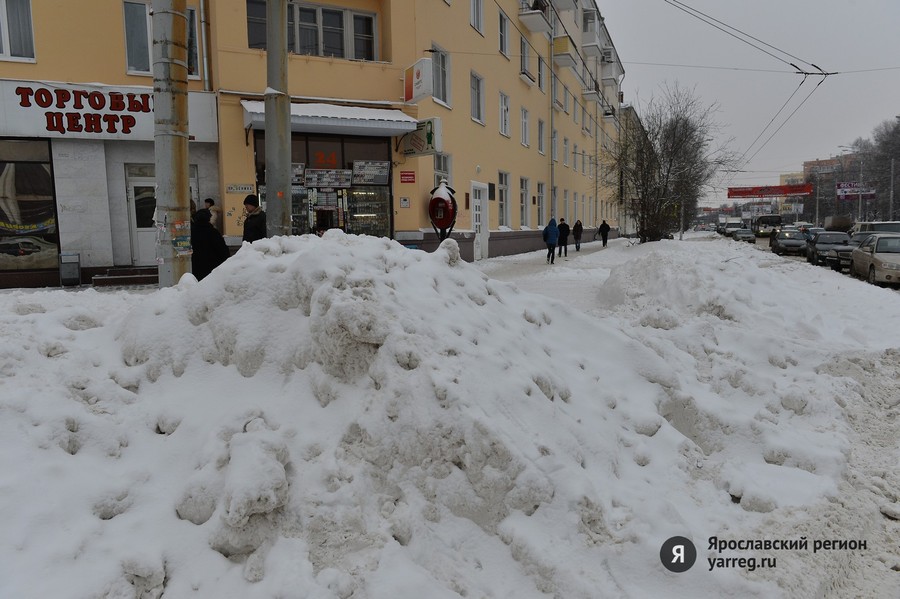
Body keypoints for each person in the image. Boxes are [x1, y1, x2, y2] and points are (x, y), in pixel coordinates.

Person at [190, 209, 230, 281]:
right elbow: (223, 251)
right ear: (208, 218)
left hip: (195, 269)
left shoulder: (191, 233)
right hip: (212, 271)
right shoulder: (213, 232)